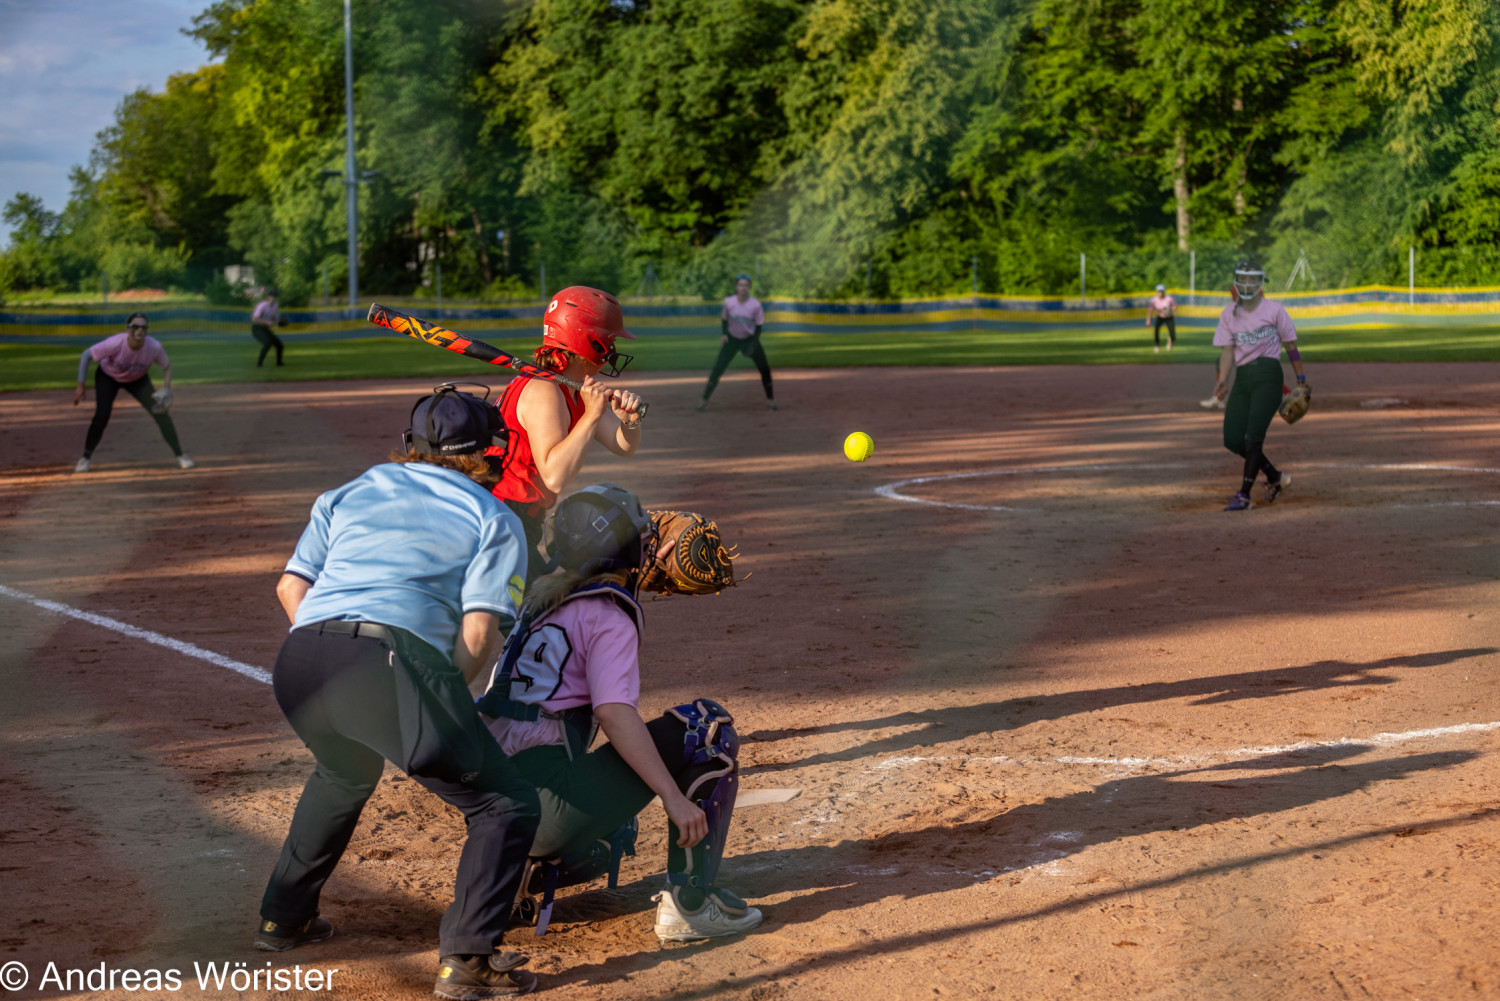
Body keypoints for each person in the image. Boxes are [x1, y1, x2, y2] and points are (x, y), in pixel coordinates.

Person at [257, 386, 544, 999]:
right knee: (505, 803)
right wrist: (442, 701)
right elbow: (477, 632)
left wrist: (337, 654)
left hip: (301, 660)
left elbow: (290, 588)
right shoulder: (494, 518)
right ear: (491, 452)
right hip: (389, 661)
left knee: (343, 770)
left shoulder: (352, 489)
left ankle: (283, 917)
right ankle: (467, 962)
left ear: (412, 446)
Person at [477, 483, 763, 944]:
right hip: (543, 811)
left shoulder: (539, 600)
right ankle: (691, 906)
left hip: (489, 808)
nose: (651, 544)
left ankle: (508, 877)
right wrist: (671, 795)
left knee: (608, 796)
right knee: (705, 729)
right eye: (642, 537)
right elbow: (613, 713)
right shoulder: (606, 615)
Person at [488, 286, 644, 583]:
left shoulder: (572, 388)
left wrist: (630, 422)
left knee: (539, 615)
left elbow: (622, 446)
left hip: (515, 522)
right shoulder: (545, 390)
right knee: (540, 618)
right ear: (589, 342)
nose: (612, 349)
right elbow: (555, 476)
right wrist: (593, 414)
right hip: (499, 522)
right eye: (609, 340)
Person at [1211, 261, 1305, 511]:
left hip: (1269, 377)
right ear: (1236, 281)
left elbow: (1291, 346)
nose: (1248, 284)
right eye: (1243, 279)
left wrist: (1301, 380)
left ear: (1261, 283)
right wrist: (1223, 381)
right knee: (1232, 439)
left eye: (1253, 280)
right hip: (1243, 379)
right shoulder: (1228, 314)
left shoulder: (1274, 310)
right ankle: (1274, 477)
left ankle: (1244, 495)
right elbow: (1228, 351)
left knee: (1253, 437)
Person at [71, 312, 193, 472]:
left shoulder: (154, 347)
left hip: (138, 380)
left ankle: (180, 455)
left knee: (160, 413)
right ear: (128, 329)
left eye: (143, 327)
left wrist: (167, 388)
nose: (139, 330)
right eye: (135, 327)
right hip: (108, 377)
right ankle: (85, 459)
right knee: (102, 415)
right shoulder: (115, 343)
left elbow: (166, 366)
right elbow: (86, 355)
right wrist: (80, 385)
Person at [697, 274, 774, 411]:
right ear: (736, 287)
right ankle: (703, 401)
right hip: (732, 339)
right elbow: (725, 319)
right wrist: (724, 334)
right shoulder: (729, 302)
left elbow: (758, 326)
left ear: (749, 287)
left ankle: (771, 401)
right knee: (718, 368)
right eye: (740, 285)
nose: (743, 288)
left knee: (764, 369)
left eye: (746, 285)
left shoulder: (755, 305)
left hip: (749, 339)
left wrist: (754, 343)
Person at [251, 288, 286, 367]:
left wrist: (279, 322)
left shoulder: (275, 306)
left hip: (265, 328)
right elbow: (254, 319)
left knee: (279, 345)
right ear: (268, 297)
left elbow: (274, 319)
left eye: (275, 296)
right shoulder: (262, 306)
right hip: (256, 328)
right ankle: (259, 364)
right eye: (272, 296)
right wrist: (267, 322)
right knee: (268, 343)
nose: (274, 297)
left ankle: (279, 363)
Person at [1146, 283, 1176, 353]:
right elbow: (1150, 310)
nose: (1160, 293)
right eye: (1159, 291)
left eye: (1161, 291)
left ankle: (1170, 341)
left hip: (1169, 317)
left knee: (1173, 334)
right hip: (1160, 317)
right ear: (1157, 292)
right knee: (1156, 330)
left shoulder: (1169, 298)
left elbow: (1175, 306)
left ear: (1164, 292)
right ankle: (1157, 345)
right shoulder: (1154, 300)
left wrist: (1170, 311)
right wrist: (1148, 320)